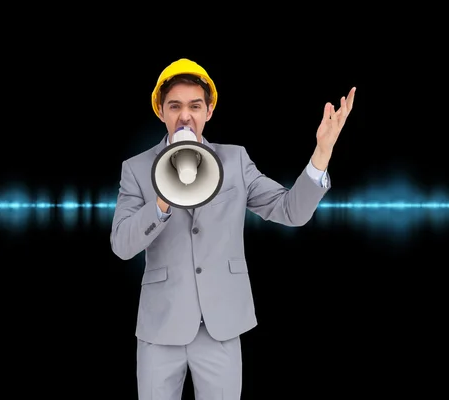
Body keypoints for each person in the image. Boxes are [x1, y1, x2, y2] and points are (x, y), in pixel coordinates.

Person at [110, 58, 356, 400]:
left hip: (221, 327)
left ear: (209, 111)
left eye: (195, 106)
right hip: (160, 328)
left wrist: (322, 152)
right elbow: (121, 245)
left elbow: (291, 211)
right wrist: (162, 201)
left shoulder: (235, 161)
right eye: (175, 106)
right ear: (161, 111)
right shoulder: (136, 169)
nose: (185, 116)